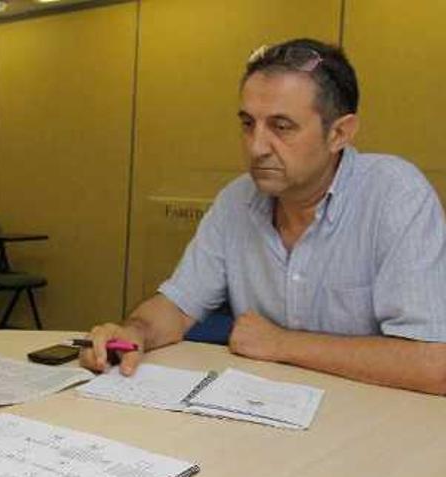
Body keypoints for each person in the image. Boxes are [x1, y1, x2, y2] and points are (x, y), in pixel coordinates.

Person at [81, 38, 446, 395]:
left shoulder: (395, 195)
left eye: (281, 126)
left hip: (378, 427)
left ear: (339, 134)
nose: (256, 147)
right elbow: (177, 307)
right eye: (247, 124)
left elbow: (434, 364)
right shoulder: (236, 200)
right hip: (265, 417)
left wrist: (283, 344)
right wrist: (136, 332)